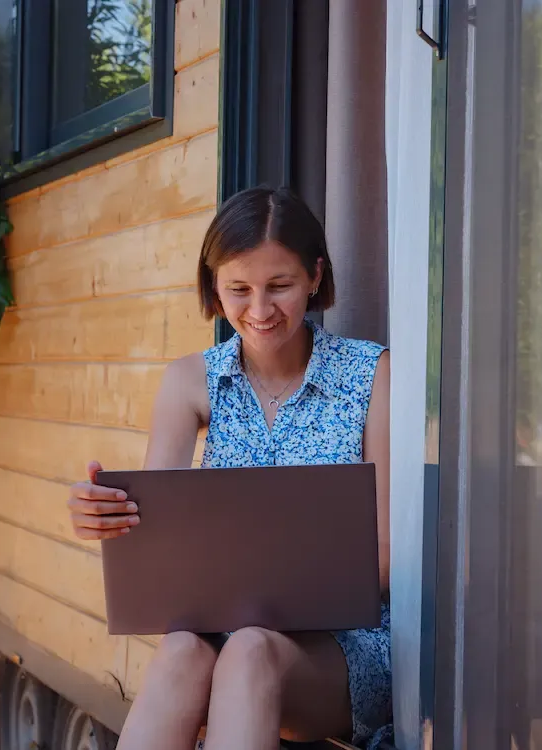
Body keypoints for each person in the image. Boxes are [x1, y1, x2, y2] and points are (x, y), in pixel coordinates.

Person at [67, 186, 392, 750]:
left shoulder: (371, 375)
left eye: (280, 286)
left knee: (249, 650)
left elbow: (384, 560)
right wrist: (101, 517)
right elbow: (155, 549)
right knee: (181, 651)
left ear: (315, 276)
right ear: (214, 288)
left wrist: (266, 603)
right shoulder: (190, 381)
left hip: (340, 651)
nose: (260, 311)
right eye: (238, 289)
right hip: (218, 637)